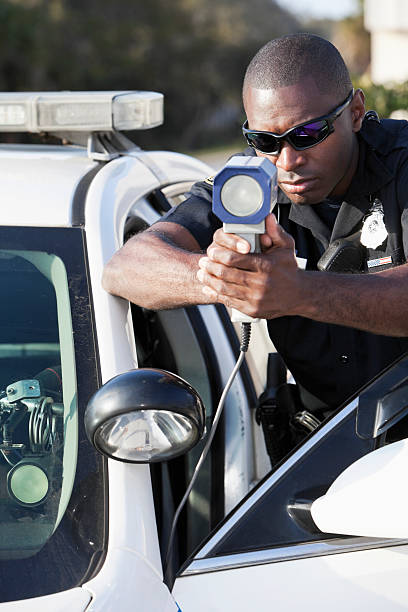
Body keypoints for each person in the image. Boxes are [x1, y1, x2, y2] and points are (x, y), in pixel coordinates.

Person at [102, 33, 408, 415]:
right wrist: (233, 279)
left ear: (356, 112)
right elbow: (125, 268)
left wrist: (298, 292)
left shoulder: (402, 164)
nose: (287, 160)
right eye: (263, 140)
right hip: (324, 443)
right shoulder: (249, 179)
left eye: (308, 134)